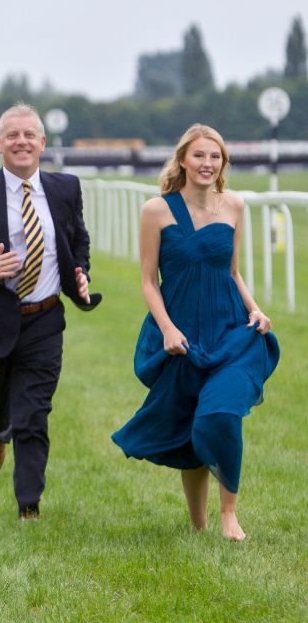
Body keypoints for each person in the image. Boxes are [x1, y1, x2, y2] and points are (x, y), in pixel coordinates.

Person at [111, 124, 278, 541]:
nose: (207, 164)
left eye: (215, 156)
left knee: (220, 415)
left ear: (223, 163)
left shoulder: (235, 206)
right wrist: (167, 329)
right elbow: (149, 282)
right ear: (183, 159)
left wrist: (256, 309)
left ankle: (228, 513)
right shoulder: (156, 210)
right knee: (190, 429)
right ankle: (198, 524)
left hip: (232, 334)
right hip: (183, 337)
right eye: (199, 155)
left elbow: (233, 272)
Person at [0, 104, 101, 520]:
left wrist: (80, 273)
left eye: (29, 135)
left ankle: (29, 505)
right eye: (13, 135)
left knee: (33, 414)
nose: (21, 142)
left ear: (42, 143)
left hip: (44, 319)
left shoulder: (65, 189)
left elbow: (77, 241)